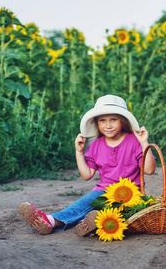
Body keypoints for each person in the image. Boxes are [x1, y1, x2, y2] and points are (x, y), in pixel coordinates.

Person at [20, 94, 156, 235]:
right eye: (103, 120)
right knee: (87, 202)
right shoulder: (95, 144)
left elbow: (150, 170)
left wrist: (144, 143)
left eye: (114, 120)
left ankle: (87, 224)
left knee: (118, 215)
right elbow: (87, 175)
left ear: (123, 121)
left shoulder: (134, 141)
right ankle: (50, 221)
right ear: (96, 122)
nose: (108, 125)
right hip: (104, 191)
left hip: (130, 196)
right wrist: (79, 152)